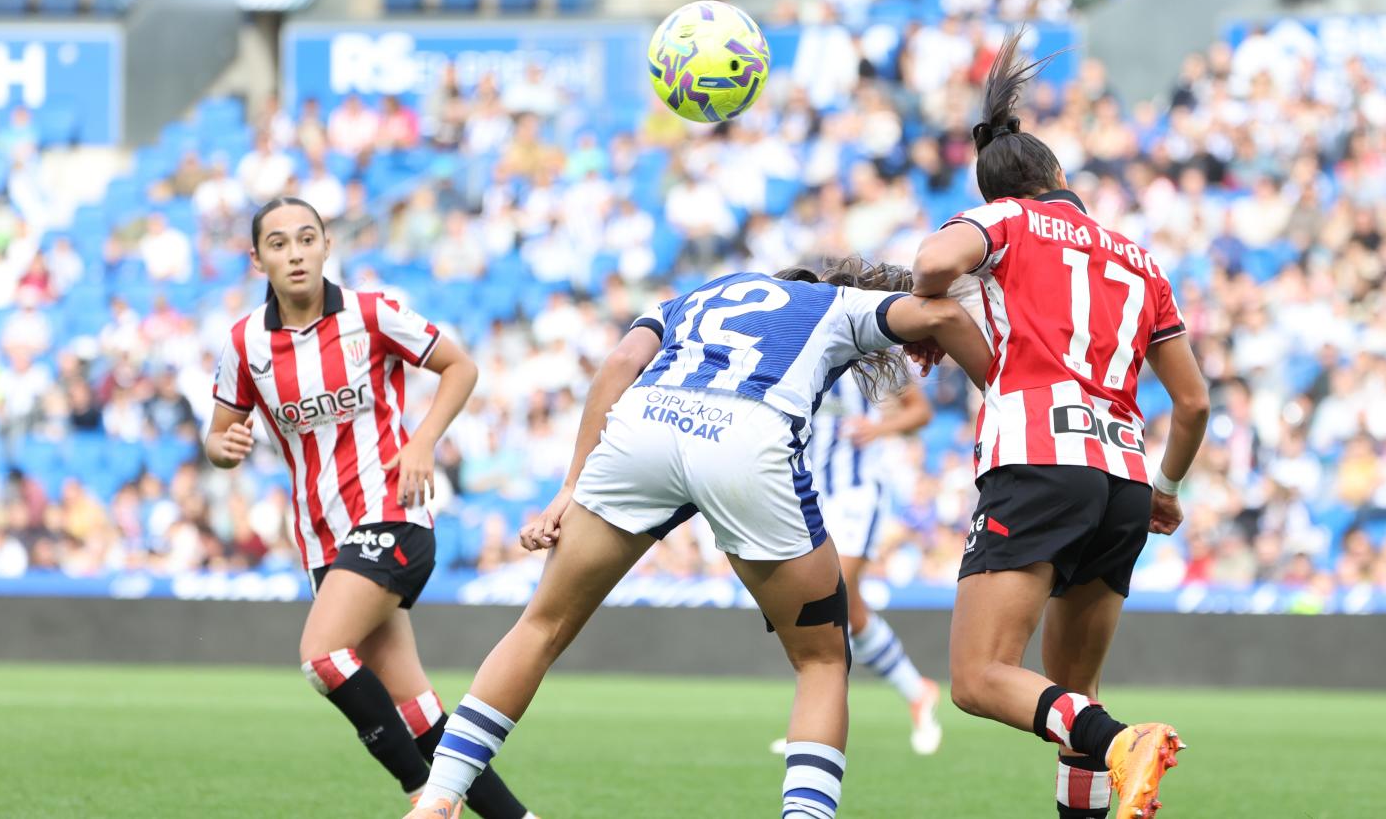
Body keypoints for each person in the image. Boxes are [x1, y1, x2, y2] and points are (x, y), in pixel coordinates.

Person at [401, 258, 993, 819]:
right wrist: (1001, 386)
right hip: (745, 436)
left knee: (540, 624)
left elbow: (616, 366)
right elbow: (938, 314)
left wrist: (569, 489)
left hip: (647, 425)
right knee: (820, 660)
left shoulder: (704, 293)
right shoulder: (839, 304)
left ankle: (440, 797)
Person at [909, 34, 1210, 819]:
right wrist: (1166, 487)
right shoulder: (1141, 261)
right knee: (1069, 691)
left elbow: (931, 269)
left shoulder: (1004, 221)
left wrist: (936, 302)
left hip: (1037, 460)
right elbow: (1194, 404)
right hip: (1123, 478)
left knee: (979, 678)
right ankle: (1103, 748)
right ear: (1063, 179)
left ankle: (1121, 743)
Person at [203, 197, 536, 819]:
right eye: (279, 244)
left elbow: (459, 366)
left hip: (392, 515)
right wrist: (224, 447)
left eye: (306, 239)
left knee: (323, 657)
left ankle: (425, 798)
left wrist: (422, 441)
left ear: (327, 244)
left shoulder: (370, 313)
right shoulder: (245, 342)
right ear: (257, 260)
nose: (295, 253)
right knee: (419, 712)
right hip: (323, 541)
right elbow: (219, 435)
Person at [769, 375, 943, 757]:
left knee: (830, 599)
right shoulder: (806, 347)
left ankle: (814, 726)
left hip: (859, 492)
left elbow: (921, 410)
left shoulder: (871, 350)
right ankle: (918, 692)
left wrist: (879, 428)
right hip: (812, 491)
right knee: (851, 610)